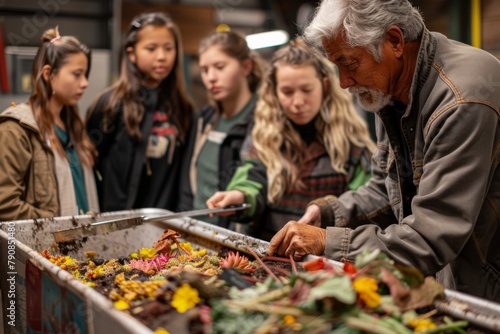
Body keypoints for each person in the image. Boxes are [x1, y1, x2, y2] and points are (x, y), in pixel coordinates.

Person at [267, 0, 500, 301]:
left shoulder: (461, 101)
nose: (343, 82)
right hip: (447, 278)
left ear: (394, 41)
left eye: (349, 64)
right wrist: (329, 212)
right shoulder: (391, 86)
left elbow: (431, 236)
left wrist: (329, 241)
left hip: (485, 291)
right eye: (336, 67)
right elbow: (385, 187)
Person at [206, 38, 375, 241]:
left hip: (323, 258)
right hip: (268, 254)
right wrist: (241, 197)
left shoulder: (351, 142)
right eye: (287, 92)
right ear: (275, 92)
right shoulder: (264, 136)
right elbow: (253, 176)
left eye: (306, 90)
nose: (297, 102)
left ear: (325, 85)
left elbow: (367, 200)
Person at [86, 12, 194, 212]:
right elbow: (89, 163)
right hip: (118, 220)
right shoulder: (110, 104)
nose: (161, 56)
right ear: (131, 53)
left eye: (169, 48)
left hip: (165, 222)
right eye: (151, 48)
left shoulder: (183, 107)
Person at [0, 26, 98, 220]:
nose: (85, 82)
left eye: (85, 75)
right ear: (48, 74)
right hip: (48, 247)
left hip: (85, 244)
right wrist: (54, 224)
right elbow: (5, 203)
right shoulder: (17, 129)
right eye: (77, 74)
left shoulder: (75, 127)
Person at [178, 29, 263, 227]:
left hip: (233, 236)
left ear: (246, 67)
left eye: (219, 67)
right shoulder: (203, 120)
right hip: (195, 231)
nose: (211, 77)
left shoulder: (262, 120)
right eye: (205, 70)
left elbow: (258, 178)